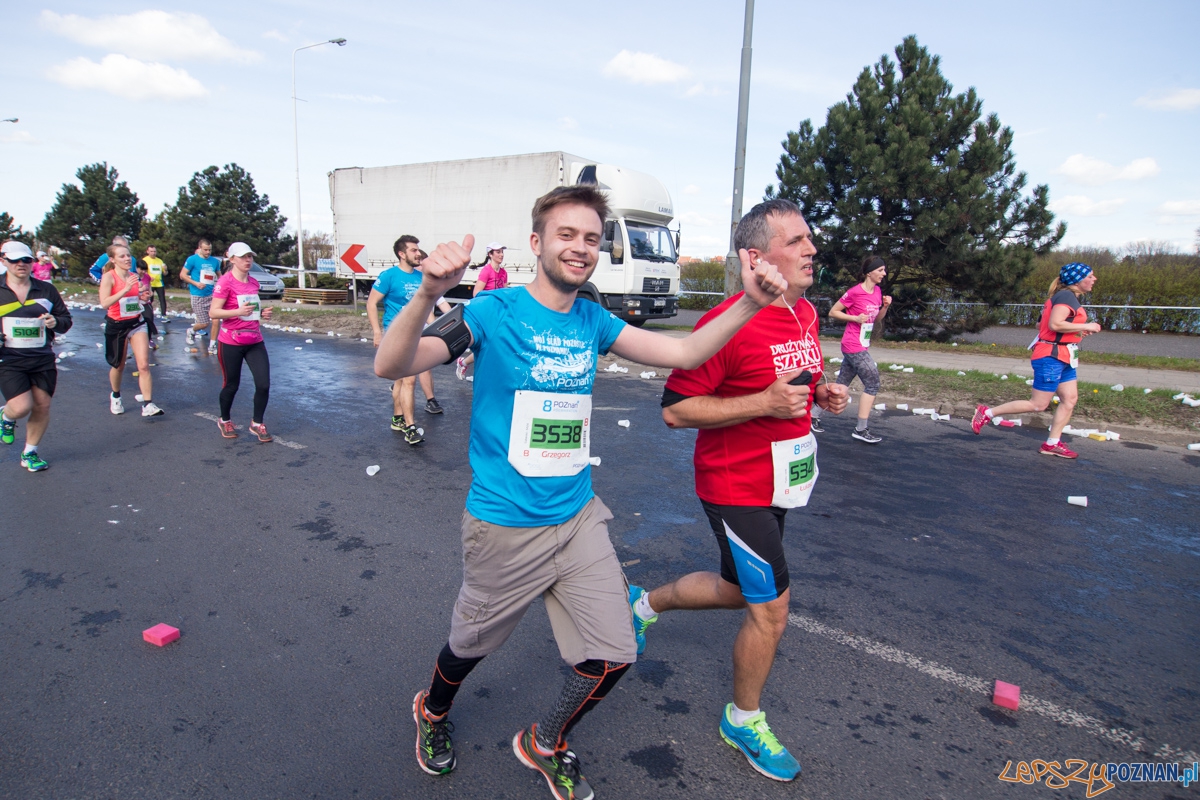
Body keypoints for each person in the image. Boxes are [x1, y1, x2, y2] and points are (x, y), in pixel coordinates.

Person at [375, 185, 786, 800]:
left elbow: (682, 350)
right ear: (537, 243)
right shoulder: (493, 312)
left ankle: (545, 742)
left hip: (576, 517)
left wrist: (748, 304)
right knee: (469, 644)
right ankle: (431, 711)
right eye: (567, 235)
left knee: (615, 652)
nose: (581, 248)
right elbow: (391, 363)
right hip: (504, 524)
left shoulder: (593, 319)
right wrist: (431, 292)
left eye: (592, 239)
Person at [628, 198, 850, 783]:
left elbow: (796, 375)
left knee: (736, 590)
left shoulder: (804, 312)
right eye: (796, 240)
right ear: (756, 257)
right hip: (735, 485)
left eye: (810, 238)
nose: (811, 249)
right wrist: (765, 403)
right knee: (771, 609)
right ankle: (742, 718)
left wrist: (820, 391)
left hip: (783, 476)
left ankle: (642, 605)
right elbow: (675, 411)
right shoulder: (725, 322)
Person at [971, 262, 1101, 458]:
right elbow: (1054, 324)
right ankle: (987, 413)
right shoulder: (1066, 296)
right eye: (1090, 276)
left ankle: (1052, 444)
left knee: (1070, 399)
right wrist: (1088, 325)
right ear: (1077, 279)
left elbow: (1041, 324)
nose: (1094, 279)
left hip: (1064, 355)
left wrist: (1078, 329)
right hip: (1051, 356)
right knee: (1038, 404)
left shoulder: (1065, 297)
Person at [367, 235, 450, 444]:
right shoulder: (389, 276)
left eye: (418, 250)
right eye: (413, 250)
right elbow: (371, 303)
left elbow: (426, 309)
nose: (418, 253)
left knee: (401, 379)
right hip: (395, 335)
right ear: (401, 254)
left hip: (417, 334)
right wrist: (377, 332)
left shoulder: (419, 278)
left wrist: (434, 328)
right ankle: (410, 427)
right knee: (409, 379)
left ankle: (397, 418)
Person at [0, 241, 73, 471]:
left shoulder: (46, 290)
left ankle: (30, 453)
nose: (21, 264)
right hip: (9, 359)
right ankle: (6, 416)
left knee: (42, 405)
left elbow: (65, 321)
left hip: (41, 358)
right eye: (14, 260)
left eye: (26, 260)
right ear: (3, 260)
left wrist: (55, 322)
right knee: (21, 407)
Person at [816, 254, 892, 443]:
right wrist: (855, 318)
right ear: (869, 273)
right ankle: (861, 429)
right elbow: (833, 311)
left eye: (884, 270)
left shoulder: (877, 292)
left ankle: (813, 415)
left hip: (862, 343)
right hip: (852, 344)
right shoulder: (855, 292)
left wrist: (884, 307)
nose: (884, 273)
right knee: (873, 383)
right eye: (880, 270)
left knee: (842, 383)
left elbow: (876, 320)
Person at [209, 242, 274, 442]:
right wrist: (237, 312)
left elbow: (252, 311)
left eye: (250, 256)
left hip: (254, 339)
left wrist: (262, 314)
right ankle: (224, 419)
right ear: (232, 259)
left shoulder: (254, 283)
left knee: (263, 384)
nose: (248, 260)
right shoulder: (225, 283)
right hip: (231, 341)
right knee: (231, 385)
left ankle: (256, 423)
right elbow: (213, 312)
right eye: (243, 257)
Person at [99, 243, 163, 418]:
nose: (127, 259)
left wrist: (142, 297)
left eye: (128, 255)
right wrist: (126, 289)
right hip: (116, 325)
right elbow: (105, 303)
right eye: (122, 256)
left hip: (136, 322)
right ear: (112, 260)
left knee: (143, 365)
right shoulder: (109, 277)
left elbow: (134, 300)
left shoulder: (134, 276)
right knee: (118, 366)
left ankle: (148, 404)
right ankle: (116, 395)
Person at [455, 242, 509, 379]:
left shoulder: (503, 272)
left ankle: (467, 364)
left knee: (495, 345)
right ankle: (470, 366)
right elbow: (476, 293)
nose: (501, 255)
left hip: (499, 314)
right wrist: (490, 300)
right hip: (486, 313)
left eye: (502, 252)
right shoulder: (486, 271)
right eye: (498, 252)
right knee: (489, 344)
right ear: (490, 254)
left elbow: (504, 291)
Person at [180, 239, 222, 355]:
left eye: (210, 250)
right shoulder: (192, 259)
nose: (208, 252)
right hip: (198, 295)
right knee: (204, 323)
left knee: (216, 320)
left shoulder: (215, 261)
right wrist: (196, 283)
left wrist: (221, 285)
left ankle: (212, 345)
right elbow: (182, 275)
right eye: (205, 250)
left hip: (212, 295)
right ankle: (191, 331)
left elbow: (220, 277)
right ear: (199, 248)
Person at [142, 245, 169, 320]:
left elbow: (165, 273)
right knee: (150, 299)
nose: (153, 253)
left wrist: (166, 270)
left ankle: (164, 314)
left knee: (162, 299)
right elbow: (142, 272)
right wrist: (148, 278)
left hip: (159, 283)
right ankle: (148, 314)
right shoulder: (145, 260)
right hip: (149, 283)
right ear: (147, 252)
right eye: (151, 251)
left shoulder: (160, 261)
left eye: (154, 251)